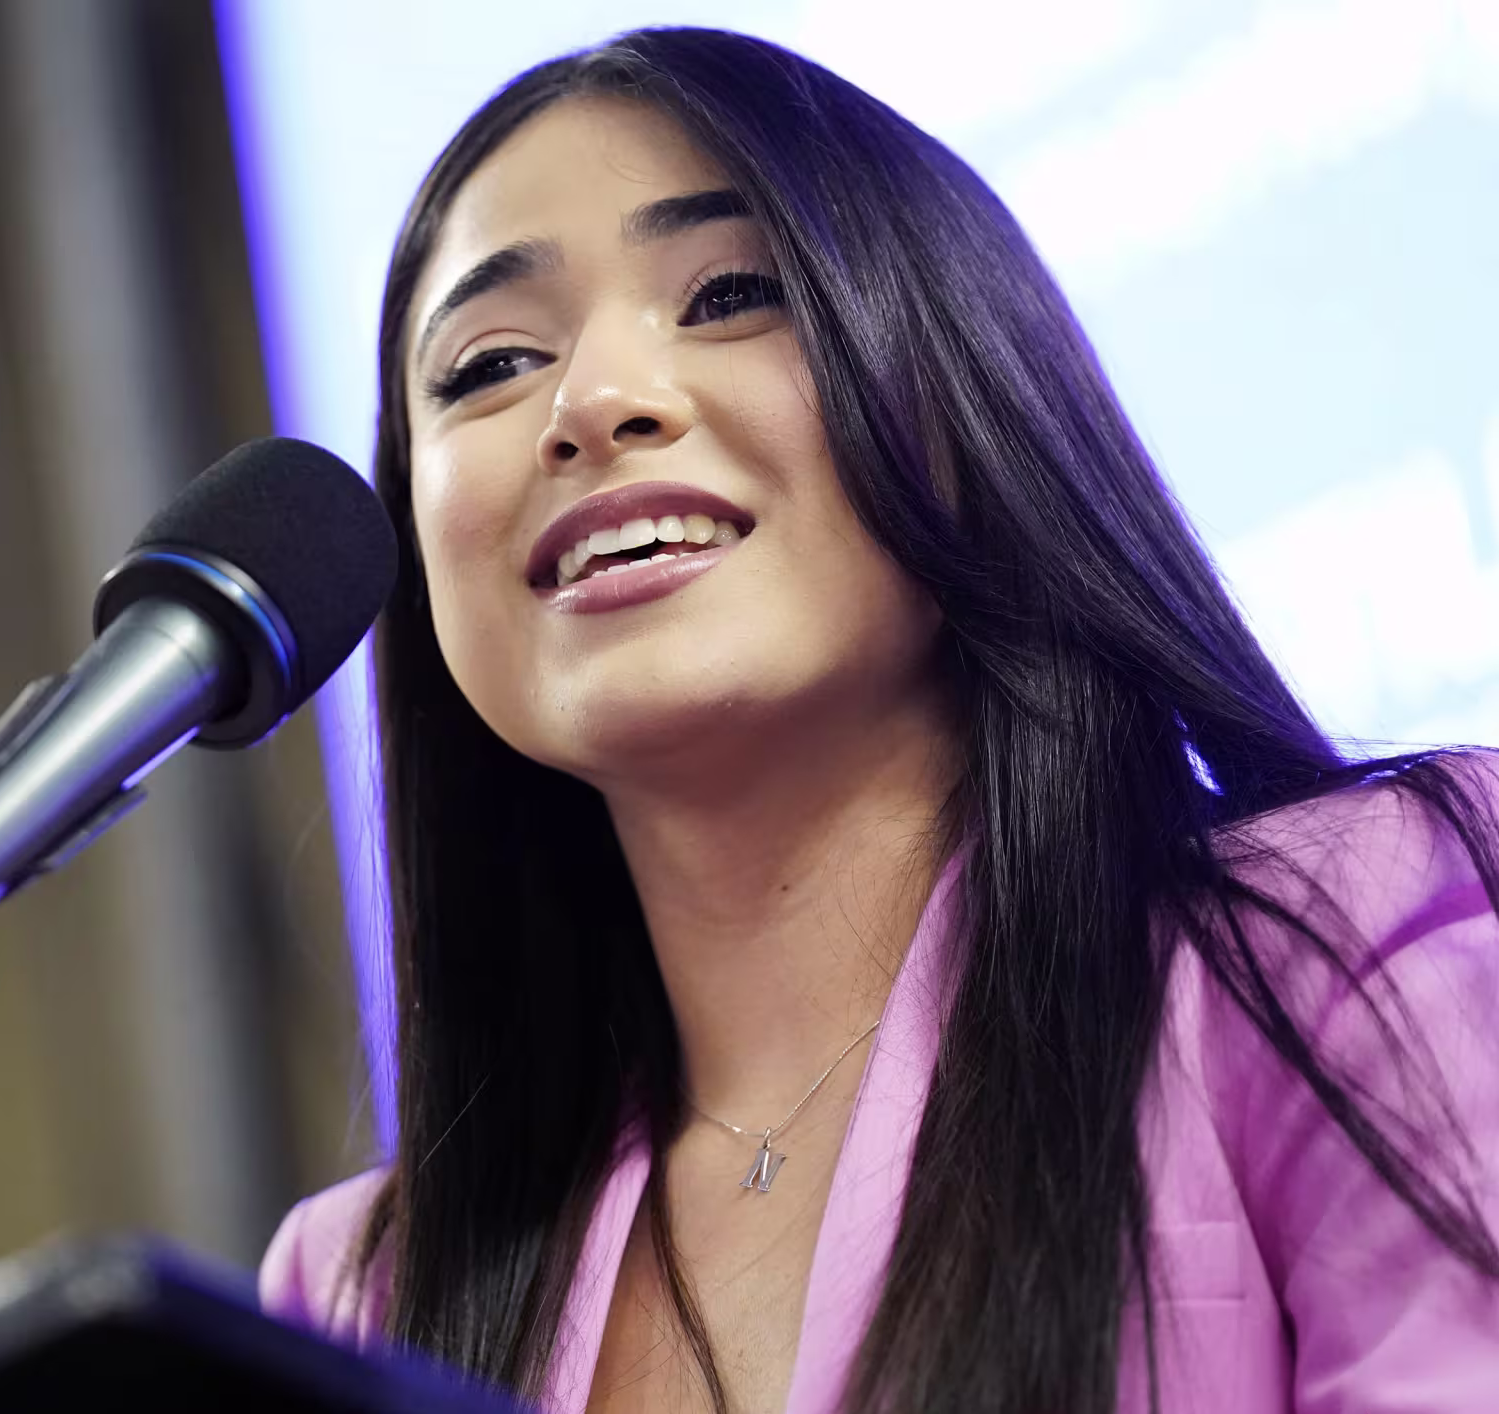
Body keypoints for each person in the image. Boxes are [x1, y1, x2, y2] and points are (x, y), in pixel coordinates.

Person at [258, 26, 1499, 1414]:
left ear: (971, 409)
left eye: (730, 292)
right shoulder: (353, 1292)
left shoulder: (1334, 946)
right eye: (487, 367)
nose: (591, 403)